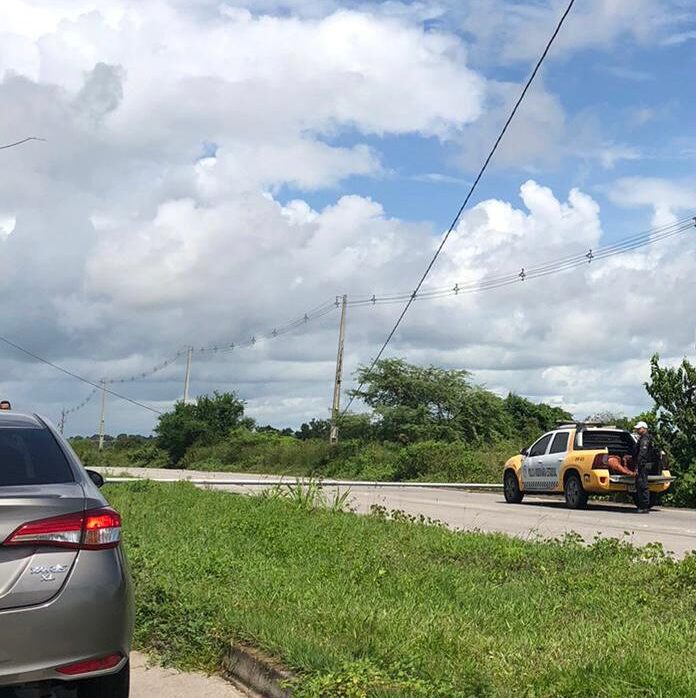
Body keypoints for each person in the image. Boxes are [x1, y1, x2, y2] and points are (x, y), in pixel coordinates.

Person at [633, 421, 657, 513]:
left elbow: (642, 454)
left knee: (642, 484)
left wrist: (638, 466)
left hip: (643, 465)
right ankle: (642, 506)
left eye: (639, 428)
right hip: (643, 464)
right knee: (640, 484)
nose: (637, 430)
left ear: (644, 429)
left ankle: (644, 507)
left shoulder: (645, 439)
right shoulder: (642, 438)